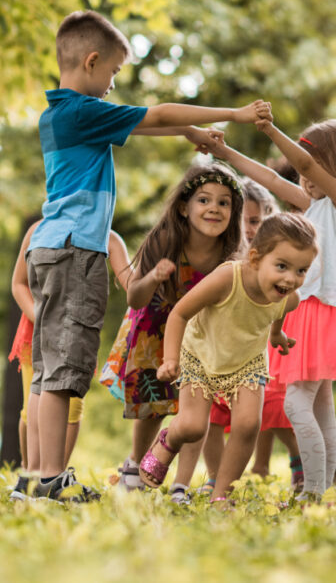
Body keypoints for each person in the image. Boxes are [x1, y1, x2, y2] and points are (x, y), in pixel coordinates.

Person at [27, 10, 269, 501]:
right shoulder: (80, 110)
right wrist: (234, 115)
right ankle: (50, 479)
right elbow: (155, 114)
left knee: (49, 369)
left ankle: (38, 476)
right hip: (76, 251)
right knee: (66, 371)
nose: (114, 84)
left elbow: (148, 125)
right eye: (113, 73)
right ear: (91, 61)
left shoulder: (59, 115)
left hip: (51, 247)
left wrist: (187, 135)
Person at [203, 118, 336, 499]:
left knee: (298, 404)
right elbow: (271, 180)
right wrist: (225, 153)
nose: (304, 177)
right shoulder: (316, 207)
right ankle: (325, 490)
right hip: (308, 312)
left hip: (320, 311)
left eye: (310, 166)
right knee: (321, 409)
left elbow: (308, 167)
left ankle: (312, 493)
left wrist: (269, 128)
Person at [138, 213, 318, 505]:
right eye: (282, 266)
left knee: (248, 424)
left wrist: (276, 335)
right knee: (194, 426)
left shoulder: (290, 297)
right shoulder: (227, 277)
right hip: (201, 355)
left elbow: (280, 311)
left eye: (301, 270)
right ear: (256, 258)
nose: (290, 279)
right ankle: (168, 439)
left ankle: (221, 495)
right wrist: (170, 359)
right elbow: (180, 313)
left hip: (247, 362)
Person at [100, 164, 245, 503]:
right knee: (154, 405)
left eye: (224, 203)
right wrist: (152, 277)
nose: (214, 208)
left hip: (201, 335)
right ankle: (134, 466)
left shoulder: (231, 252)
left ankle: (181, 484)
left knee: (196, 408)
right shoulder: (165, 239)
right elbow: (135, 296)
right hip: (155, 326)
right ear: (184, 206)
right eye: (204, 200)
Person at [8, 221, 132, 499]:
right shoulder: (37, 230)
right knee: (33, 408)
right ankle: (29, 475)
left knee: (72, 408)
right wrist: (43, 321)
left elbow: (131, 282)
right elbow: (18, 284)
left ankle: (55, 477)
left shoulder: (107, 237)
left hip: (75, 335)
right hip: (35, 335)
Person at [200, 180, 304, 493]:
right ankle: (216, 477)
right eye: (242, 220)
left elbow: (286, 300)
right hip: (217, 350)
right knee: (213, 417)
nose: (247, 228)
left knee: (272, 410)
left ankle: (299, 461)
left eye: (256, 221)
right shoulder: (220, 256)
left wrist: (277, 332)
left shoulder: (274, 264)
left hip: (257, 351)